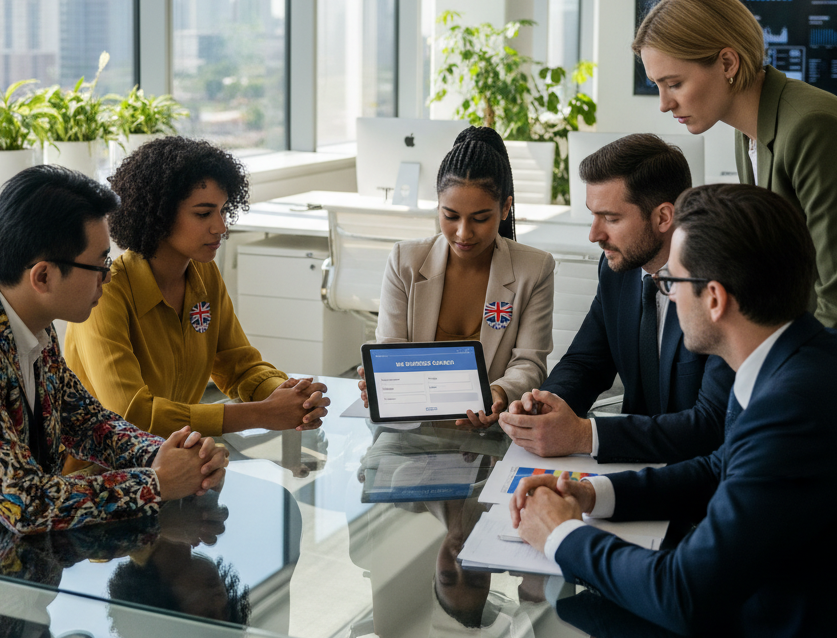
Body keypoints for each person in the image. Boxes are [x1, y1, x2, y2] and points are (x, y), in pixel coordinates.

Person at [510, 184, 837, 638]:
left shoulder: (796, 405)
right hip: (786, 630)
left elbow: (684, 594)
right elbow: (723, 465)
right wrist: (591, 494)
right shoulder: (806, 355)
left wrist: (559, 534)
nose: (668, 295)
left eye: (672, 282)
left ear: (717, 298)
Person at [0, 165, 226, 556]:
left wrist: (170, 456)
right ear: (43, 277)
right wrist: (156, 483)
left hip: (15, 565)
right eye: (100, 265)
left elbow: (86, 422)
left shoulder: (33, 323)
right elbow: (23, 502)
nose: (108, 277)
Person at [634, 0, 837, 426]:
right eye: (658, 86)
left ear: (727, 61)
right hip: (833, 352)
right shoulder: (750, 131)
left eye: (674, 84)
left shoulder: (813, 128)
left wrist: (780, 395)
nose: (665, 104)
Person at [65, 136, 328, 439]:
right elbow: (132, 413)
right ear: (158, 215)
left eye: (223, 210)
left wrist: (290, 395)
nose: (221, 227)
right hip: (96, 471)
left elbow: (239, 367)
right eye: (203, 214)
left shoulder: (205, 273)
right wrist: (262, 413)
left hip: (176, 457)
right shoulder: (107, 291)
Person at [499, 134, 733, 463]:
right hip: (632, 464)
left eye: (611, 219)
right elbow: (586, 362)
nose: (594, 235)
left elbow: (711, 425)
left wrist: (584, 435)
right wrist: (546, 406)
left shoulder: (715, 288)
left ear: (664, 217)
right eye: (593, 215)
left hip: (698, 479)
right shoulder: (617, 270)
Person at [359, 126, 555, 426]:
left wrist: (498, 393)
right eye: (450, 216)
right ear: (438, 206)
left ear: (505, 208)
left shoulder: (535, 268)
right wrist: (383, 384)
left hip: (492, 430)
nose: (463, 233)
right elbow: (390, 351)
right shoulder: (405, 262)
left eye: (480, 218)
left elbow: (529, 363)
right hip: (413, 429)